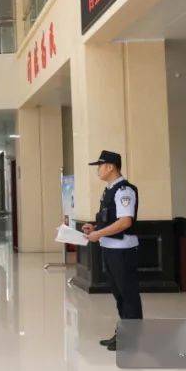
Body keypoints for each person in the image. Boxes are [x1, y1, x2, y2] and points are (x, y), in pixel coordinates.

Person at [82, 150, 141, 352]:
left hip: (122, 251)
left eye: (100, 166)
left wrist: (98, 234)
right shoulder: (109, 190)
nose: (98, 170)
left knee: (128, 295)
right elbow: (110, 219)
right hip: (110, 248)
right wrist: (94, 228)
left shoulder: (124, 190)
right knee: (120, 296)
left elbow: (125, 222)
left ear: (110, 167)